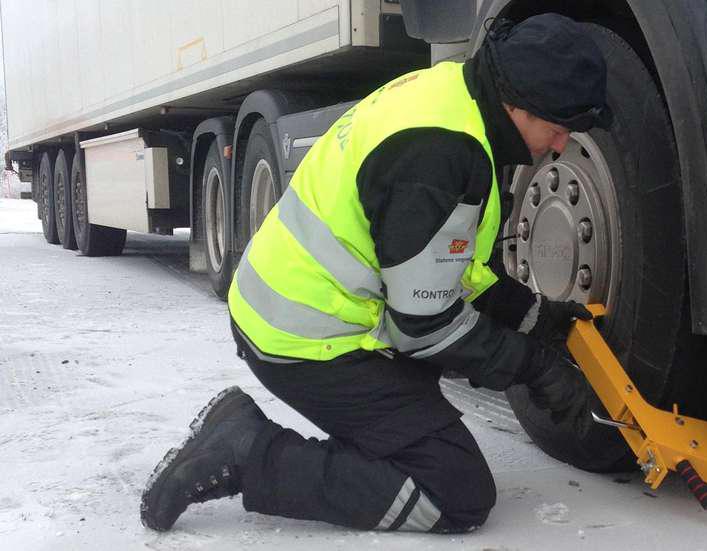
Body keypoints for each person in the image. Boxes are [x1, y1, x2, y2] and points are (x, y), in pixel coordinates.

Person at [141, 12, 612, 534]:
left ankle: (335, 439)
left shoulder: (454, 100)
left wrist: (540, 320)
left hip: (296, 312)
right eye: (559, 127)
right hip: (304, 340)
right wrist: (535, 369)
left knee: (432, 402)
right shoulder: (441, 154)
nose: (561, 145)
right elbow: (424, 327)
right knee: (455, 493)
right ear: (520, 103)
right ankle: (246, 451)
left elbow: (457, 269)